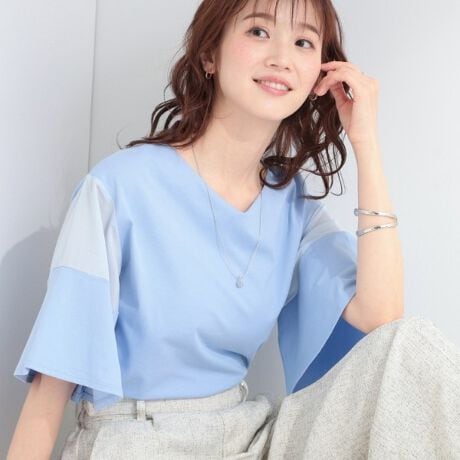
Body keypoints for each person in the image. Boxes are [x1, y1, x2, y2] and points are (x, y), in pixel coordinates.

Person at [8, 0, 460, 458]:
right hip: (137, 440)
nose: (281, 57)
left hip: (247, 437)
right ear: (210, 54)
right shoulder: (118, 187)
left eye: (303, 42)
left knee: (413, 349)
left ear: (318, 76)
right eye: (259, 32)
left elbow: (382, 326)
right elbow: (50, 388)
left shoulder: (290, 204)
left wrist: (365, 141)